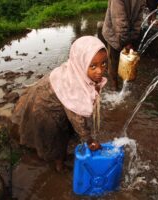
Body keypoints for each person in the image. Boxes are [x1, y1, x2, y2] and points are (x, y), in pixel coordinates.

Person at [11, 36, 108, 172]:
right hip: (45, 108)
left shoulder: (75, 70)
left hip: (47, 96)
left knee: (64, 132)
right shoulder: (74, 86)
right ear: (81, 63)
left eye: (103, 64)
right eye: (93, 66)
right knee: (55, 138)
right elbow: (77, 118)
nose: (100, 71)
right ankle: (59, 166)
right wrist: (89, 140)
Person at [102, 0, 145, 91]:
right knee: (114, 62)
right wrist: (127, 42)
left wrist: (133, 38)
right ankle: (114, 86)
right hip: (113, 33)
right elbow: (119, 20)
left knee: (129, 61)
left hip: (128, 32)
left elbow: (139, 20)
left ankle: (125, 86)